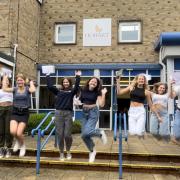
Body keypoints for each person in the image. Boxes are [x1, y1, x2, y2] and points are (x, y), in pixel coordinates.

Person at [46, 70, 81, 161]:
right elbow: (50, 86)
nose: (65, 83)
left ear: (69, 83)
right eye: (64, 82)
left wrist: (77, 76)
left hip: (68, 114)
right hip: (58, 113)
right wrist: (48, 74)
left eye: (67, 82)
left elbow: (76, 87)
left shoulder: (71, 92)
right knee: (60, 135)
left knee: (67, 135)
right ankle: (61, 152)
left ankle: (68, 151)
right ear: (62, 83)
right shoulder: (58, 91)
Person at [3, 73, 36, 157]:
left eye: (21, 80)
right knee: (13, 131)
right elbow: (4, 88)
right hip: (15, 112)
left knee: (19, 133)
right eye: (18, 80)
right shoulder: (15, 89)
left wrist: (31, 82)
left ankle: (22, 146)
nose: (19, 81)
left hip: (24, 113)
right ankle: (18, 141)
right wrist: (5, 78)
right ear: (16, 81)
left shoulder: (27, 89)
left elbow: (33, 90)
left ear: (24, 81)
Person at [80, 77, 108, 163]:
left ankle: (100, 132)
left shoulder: (97, 92)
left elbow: (101, 104)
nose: (94, 82)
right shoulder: (83, 90)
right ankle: (92, 151)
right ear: (88, 82)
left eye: (95, 82)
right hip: (84, 113)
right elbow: (80, 102)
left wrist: (103, 94)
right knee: (84, 136)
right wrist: (77, 103)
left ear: (97, 85)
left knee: (86, 132)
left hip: (93, 112)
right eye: (92, 81)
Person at [0, 75, 13, 158]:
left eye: (7, 80)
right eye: (4, 80)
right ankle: (1, 149)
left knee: (8, 131)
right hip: (0, 109)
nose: (6, 81)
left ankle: (8, 149)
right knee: (0, 130)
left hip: (10, 110)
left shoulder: (12, 91)